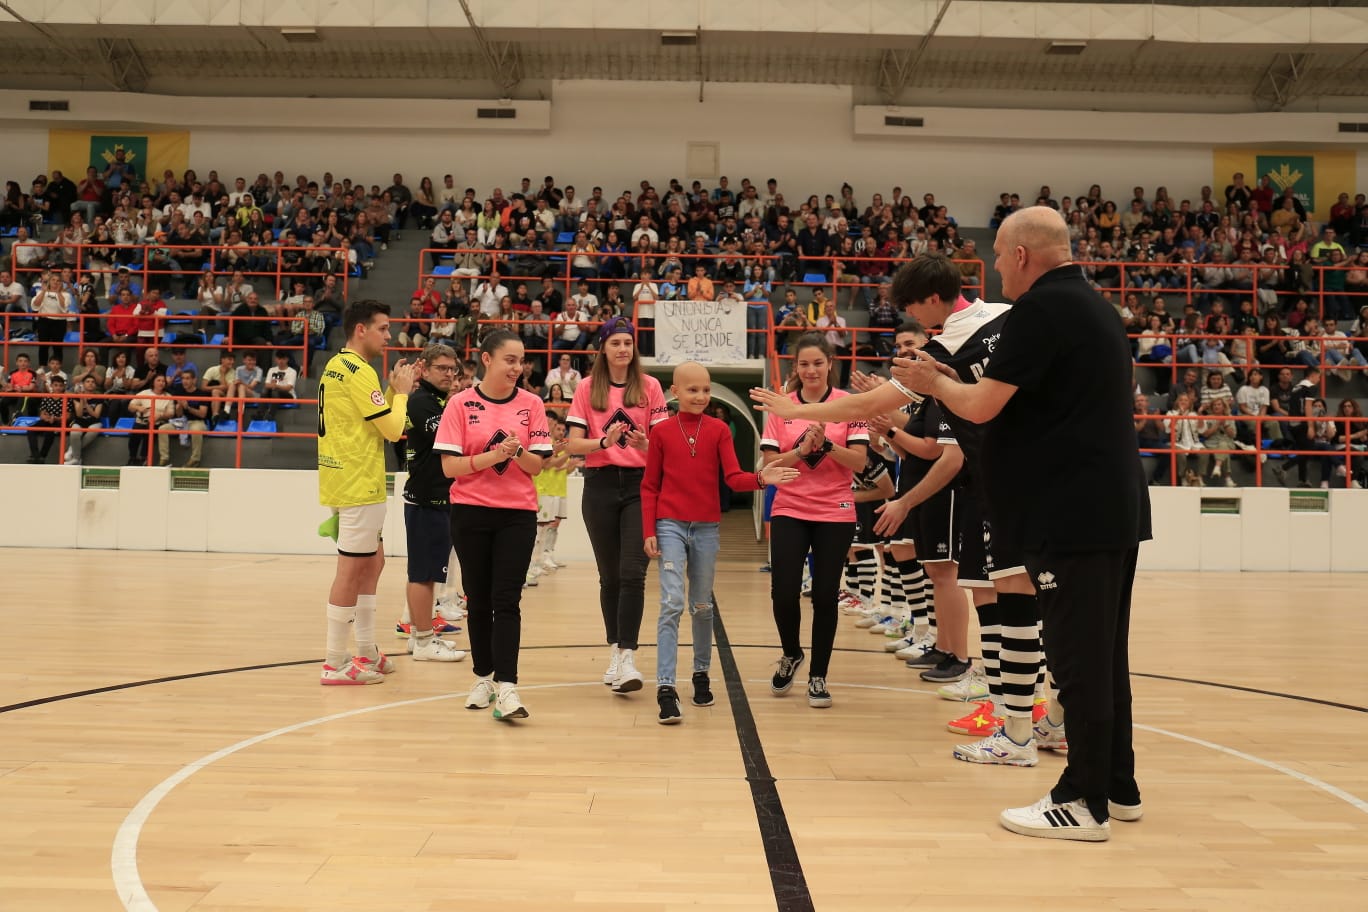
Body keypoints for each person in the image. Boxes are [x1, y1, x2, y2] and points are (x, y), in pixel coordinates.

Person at [893, 207, 1150, 842]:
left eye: (1002, 257)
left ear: (1024, 256)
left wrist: (933, 383)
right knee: (1103, 656)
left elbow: (980, 405)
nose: (998, 269)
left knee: (1077, 660)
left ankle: (1083, 801)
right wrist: (953, 382)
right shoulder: (1094, 306)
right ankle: (1117, 785)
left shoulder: (1041, 309)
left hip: (1070, 516)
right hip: (1108, 509)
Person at [642, 361, 798, 723]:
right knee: (671, 602)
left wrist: (761, 477)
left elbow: (732, 477)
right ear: (675, 392)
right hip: (670, 525)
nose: (700, 396)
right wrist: (649, 529)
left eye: (706, 390)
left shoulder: (719, 430)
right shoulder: (662, 432)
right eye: (692, 389)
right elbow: (650, 486)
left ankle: (700, 674)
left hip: (707, 528)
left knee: (701, 605)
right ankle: (666, 686)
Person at [434, 329, 552, 720]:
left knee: (507, 600)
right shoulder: (459, 404)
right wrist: (491, 456)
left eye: (521, 361)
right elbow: (450, 468)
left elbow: (537, 466)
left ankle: (508, 687)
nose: (518, 368)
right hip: (470, 513)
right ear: (486, 360)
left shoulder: (532, 404)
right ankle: (482, 677)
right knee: (478, 600)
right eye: (510, 360)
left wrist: (516, 450)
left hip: (517, 515)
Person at [759, 332, 870, 708]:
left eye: (818, 363)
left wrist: (826, 445)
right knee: (783, 592)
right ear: (796, 367)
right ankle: (791, 653)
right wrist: (801, 449)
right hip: (789, 507)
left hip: (835, 510)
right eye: (804, 364)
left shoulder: (849, 404)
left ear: (830, 365)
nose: (811, 370)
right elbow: (768, 465)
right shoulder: (782, 407)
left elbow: (860, 462)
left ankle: (819, 675)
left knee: (825, 596)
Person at [564, 316, 670, 695]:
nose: (623, 349)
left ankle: (627, 655)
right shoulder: (588, 388)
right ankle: (614, 650)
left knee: (632, 573)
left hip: (641, 488)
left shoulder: (651, 387)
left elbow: (664, 444)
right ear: (604, 348)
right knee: (609, 577)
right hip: (600, 485)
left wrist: (646, 445)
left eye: (628, 343)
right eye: (616, 343)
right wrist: (603, 444)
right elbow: (573, 444)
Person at [316, 300, 418, 685]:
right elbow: (393, 430)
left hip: (353, 477)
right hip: (358, 480)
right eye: (384, 328)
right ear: (362, 329)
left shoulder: (339, 366)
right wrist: (403, 392)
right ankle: (334, 662)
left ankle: (366, 650)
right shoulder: (357, 371)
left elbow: (378, 422)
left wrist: (391, 388)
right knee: (352, 569)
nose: (388, 336)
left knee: (372, 563)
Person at [396, 345, 468, 662]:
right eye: (442, 368)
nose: (449, 375)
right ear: (423, 368)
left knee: (426, 573)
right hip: (427, 499)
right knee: (423, 574)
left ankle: (419, 636)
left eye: (452, 369)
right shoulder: (421, 401)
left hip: (437, 498)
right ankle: (424, 641)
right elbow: (453, 440)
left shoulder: (438, 400)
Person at [526, 412, 573, 586]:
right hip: (543, 489)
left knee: (547, 528)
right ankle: (533, 564)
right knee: (539, 530)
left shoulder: (550, 443)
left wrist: (568, 461)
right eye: (555, 425)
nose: (559, 430)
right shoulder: (543, 442)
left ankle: (538, 562)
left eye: (562, 428)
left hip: (553, 490)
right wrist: (566, 454)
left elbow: (556, 466)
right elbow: (546, 464)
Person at [158, 372, 210, 468]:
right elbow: (179, 415)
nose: (184, 381)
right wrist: (179, 407)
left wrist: (188, 408)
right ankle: (164, 458)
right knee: (162, 428)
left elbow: (202, 414)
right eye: (183, 378)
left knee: (196, 430)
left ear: (194, 380)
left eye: (187, 378)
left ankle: (195, 459)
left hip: (197, 421)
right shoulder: (179, 393)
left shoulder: (202, 394)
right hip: (181, 422)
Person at [26, 374, 68, 464]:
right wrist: (45, 417)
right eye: (56, 385)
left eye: (60, 386)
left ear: (64, 386)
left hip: (59, 422)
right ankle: (36, 455)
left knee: (50, 432)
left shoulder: (67, 398)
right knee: (30, 430)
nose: (58, 388)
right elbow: (42, 413)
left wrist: (55, 418)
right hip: (47, 420)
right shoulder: (47, 397)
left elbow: (68, 416)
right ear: (52, 386)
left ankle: (42, 456)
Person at [64, 374, 105, 465]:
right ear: (83, 384)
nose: (90, 384)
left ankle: (73, 450)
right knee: (75, 433)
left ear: (95, 385)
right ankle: (77, 459)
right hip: (80, 420)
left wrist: (86, 405)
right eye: (88, 381)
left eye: (93, 382)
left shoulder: (99, 398)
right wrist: (82, 400)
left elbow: (96, 415)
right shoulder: (76, 397)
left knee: (93, 431)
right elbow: (79, 414)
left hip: (94, 421)